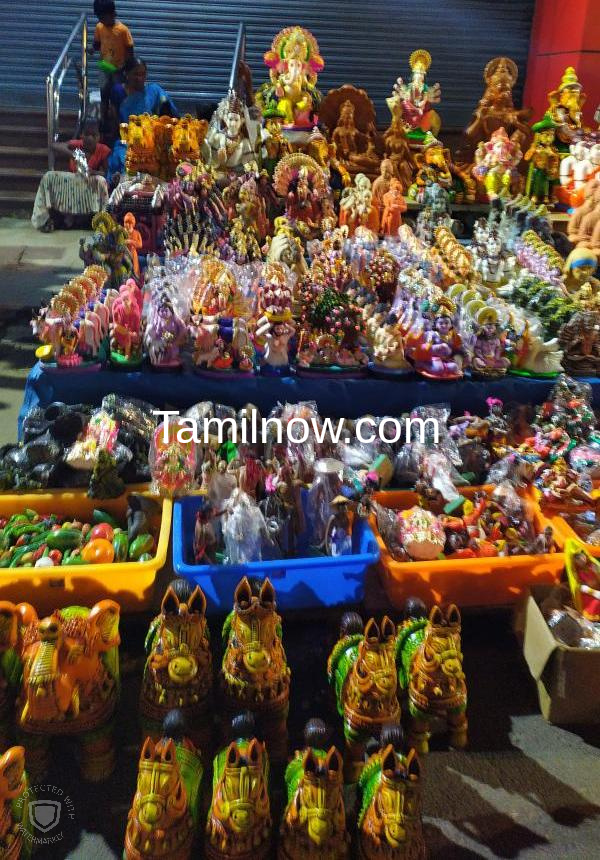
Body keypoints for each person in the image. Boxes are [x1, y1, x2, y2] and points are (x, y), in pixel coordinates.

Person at [31, 120, 111, 232]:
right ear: (81, 135)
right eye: (87, 134)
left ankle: (102, 220)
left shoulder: (103, 150)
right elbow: (54, 145)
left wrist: (93, 172)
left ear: (99, 137)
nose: (90, 138)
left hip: (89, 187)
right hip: (70, 186)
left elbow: (108, 174)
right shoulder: (76, 145)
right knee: (48, 176)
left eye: (94, 135)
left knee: (101, 180)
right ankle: (44, 220)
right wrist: (73, 155)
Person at [92, 0, 134, 130]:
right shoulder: (99, 27)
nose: (101, 20)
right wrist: (92, 49)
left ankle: (119, 125)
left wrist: (127, 68)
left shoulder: (122, 30)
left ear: (112, 14)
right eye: (99, 17)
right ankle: (103, 123)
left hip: (118, 69)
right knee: (103, 94)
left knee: (118, 96)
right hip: (105, 66)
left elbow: (130, 50)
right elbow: (97, 44)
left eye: (103, 17)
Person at [114, 57, 179, 123]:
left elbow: (169, 108)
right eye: (136, 74)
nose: (140, 78)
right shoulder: (119, 91)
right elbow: (114, 117)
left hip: (148, 131)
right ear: (127, 74)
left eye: (143, 74)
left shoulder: (153, 91)